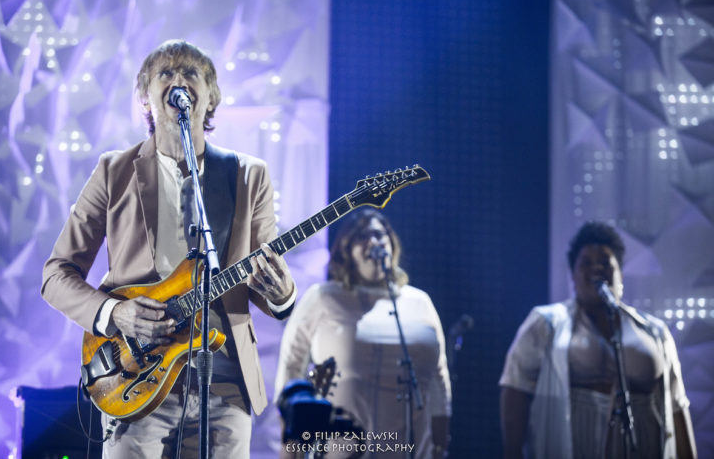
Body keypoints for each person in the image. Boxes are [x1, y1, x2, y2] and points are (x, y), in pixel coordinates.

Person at [41, 40, 297, 457]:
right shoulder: (114, 171)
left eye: (191, 73)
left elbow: (266, 285)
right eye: (166, 73)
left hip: (225, 384)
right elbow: (56, 274)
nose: (179, 80)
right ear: (145, 96)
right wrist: (114, 313)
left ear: (211, 96)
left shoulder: (249, 175)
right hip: (135, 375)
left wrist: (283, 294)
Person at [499, 221, 697, 459]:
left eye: (605, 262)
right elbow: (515, 389)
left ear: (620, 274)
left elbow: (677, 406)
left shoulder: (654, 332)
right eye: (586, 263)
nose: (597, 269)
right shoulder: (545, 324)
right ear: (573, 275)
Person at [274, 208, 452, 459]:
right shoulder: (323, 297)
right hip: (341, 446)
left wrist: (440, 442)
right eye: (362, 236)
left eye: (380, 235)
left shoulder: (420, 302)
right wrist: (291, 445)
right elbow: (291, 370)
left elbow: (439, 378)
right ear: (346, 251)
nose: (374, 242)